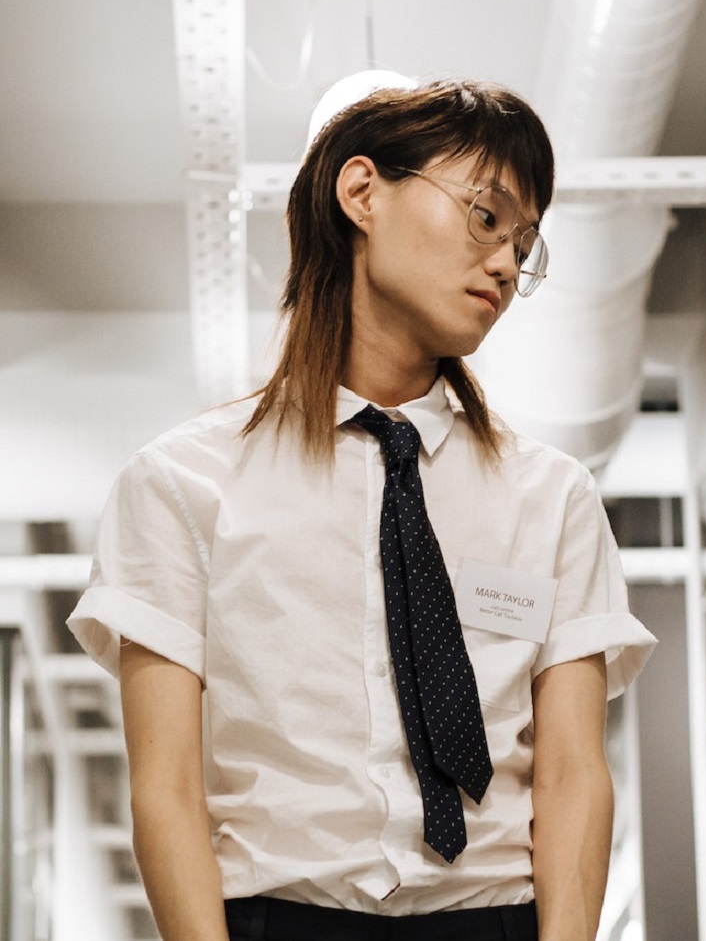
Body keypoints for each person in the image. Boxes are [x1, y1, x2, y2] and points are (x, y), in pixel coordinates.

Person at [67, 77, 656, 941]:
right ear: (361, 192)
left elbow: (573, 773)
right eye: (486, 216)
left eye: (524, 244)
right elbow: (165, 788)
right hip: (280, 919)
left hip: (491, 919)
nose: (504, 262)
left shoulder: (552, 499)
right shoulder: (181, 485)